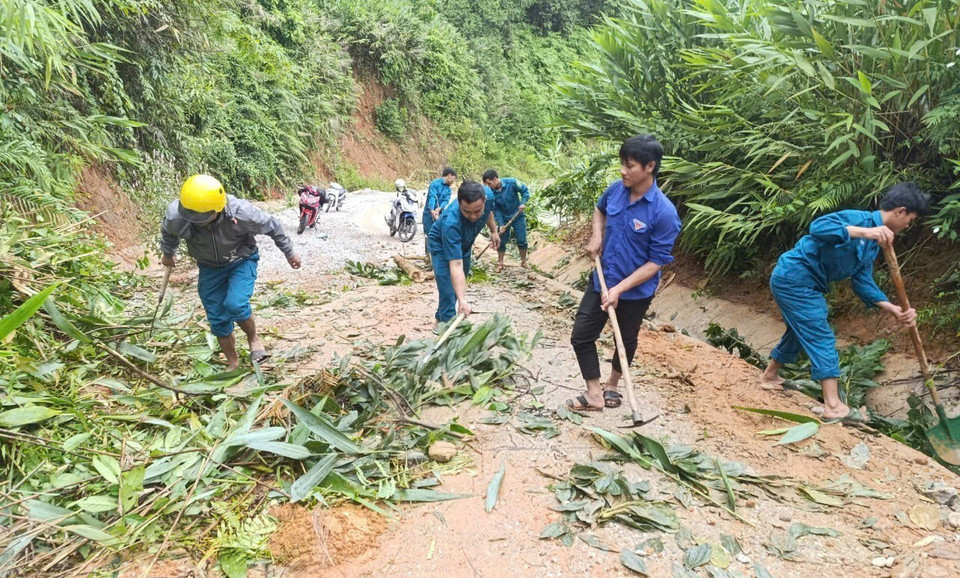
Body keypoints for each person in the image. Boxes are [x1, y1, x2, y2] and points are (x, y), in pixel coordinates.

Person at [761, 183, 930, 423]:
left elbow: (862, 281)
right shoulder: (858, 219)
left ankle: (770, 376)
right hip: (794, 278)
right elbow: (817, 227)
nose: (907, 226)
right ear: (900, 211)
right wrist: (865, 232)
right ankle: (833, 406)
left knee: (801, 331)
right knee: (820, 334)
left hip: (805, 284)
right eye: (910, 220)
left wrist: (892, 308)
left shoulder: (873, 246)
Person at [568, 135, 681, 412]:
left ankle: (613, 385)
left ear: (649, 166)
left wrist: (620, 289)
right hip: (602, 279)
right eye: (622, 164)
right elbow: (599, 210)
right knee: (581, 335)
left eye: (629, 166)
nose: (622, 171)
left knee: (625, 341)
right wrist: (597, 236)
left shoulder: (664, 212)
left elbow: (657, 262)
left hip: (634, 292)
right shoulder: (616, 191)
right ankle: (594, 394)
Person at [160, 174, 302, 370]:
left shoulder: (242, 212)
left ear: (217, 209)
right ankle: (233, 362)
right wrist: (168, 254)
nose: (195, 221)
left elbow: (272, 225)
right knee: (217, 317)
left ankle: (254, 339)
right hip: (209, 267)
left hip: (241, 260)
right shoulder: (178, 216)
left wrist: (289, 252)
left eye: (200, 218)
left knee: (235, 304)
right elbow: (169, 234)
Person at [427, 180, 500, 325]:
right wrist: (463, 301)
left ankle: (439, 318)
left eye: (477, 211)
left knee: (456, 286)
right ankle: (448, 330)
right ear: (459, 203)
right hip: (440, 245)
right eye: (466, 212)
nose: (473, 216)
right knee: (448, 287)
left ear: (484, 201)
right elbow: (456, 265)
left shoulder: (489, 196)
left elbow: (489, 212)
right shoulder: (451, 223)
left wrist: (493, 231)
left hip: (464, 245)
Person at [482, 170, 531, 272]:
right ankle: (500, 263)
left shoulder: (512, 183)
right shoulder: (491, 193)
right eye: (486, 185)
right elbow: (496, 209)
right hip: (504, 218)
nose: (488, 187)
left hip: (517, 216)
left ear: (495, 179)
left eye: (489, 184)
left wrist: (523, 203)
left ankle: (524, 262)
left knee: (522, 240)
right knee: (502, 240)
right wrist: (500, 224)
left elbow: (525, 191)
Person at [423, 168, 458, 263]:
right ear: (449, 176)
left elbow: (445, 201)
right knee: (429, 234)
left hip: (440, 215)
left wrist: (438, 210)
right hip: (428, 214)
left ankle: (438, 258)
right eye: (453, 178)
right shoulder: (435, 184)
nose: (453, 181)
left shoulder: (448, 190)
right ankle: (429, 257)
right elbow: (432, 197)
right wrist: (432, 210)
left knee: (439, 234)